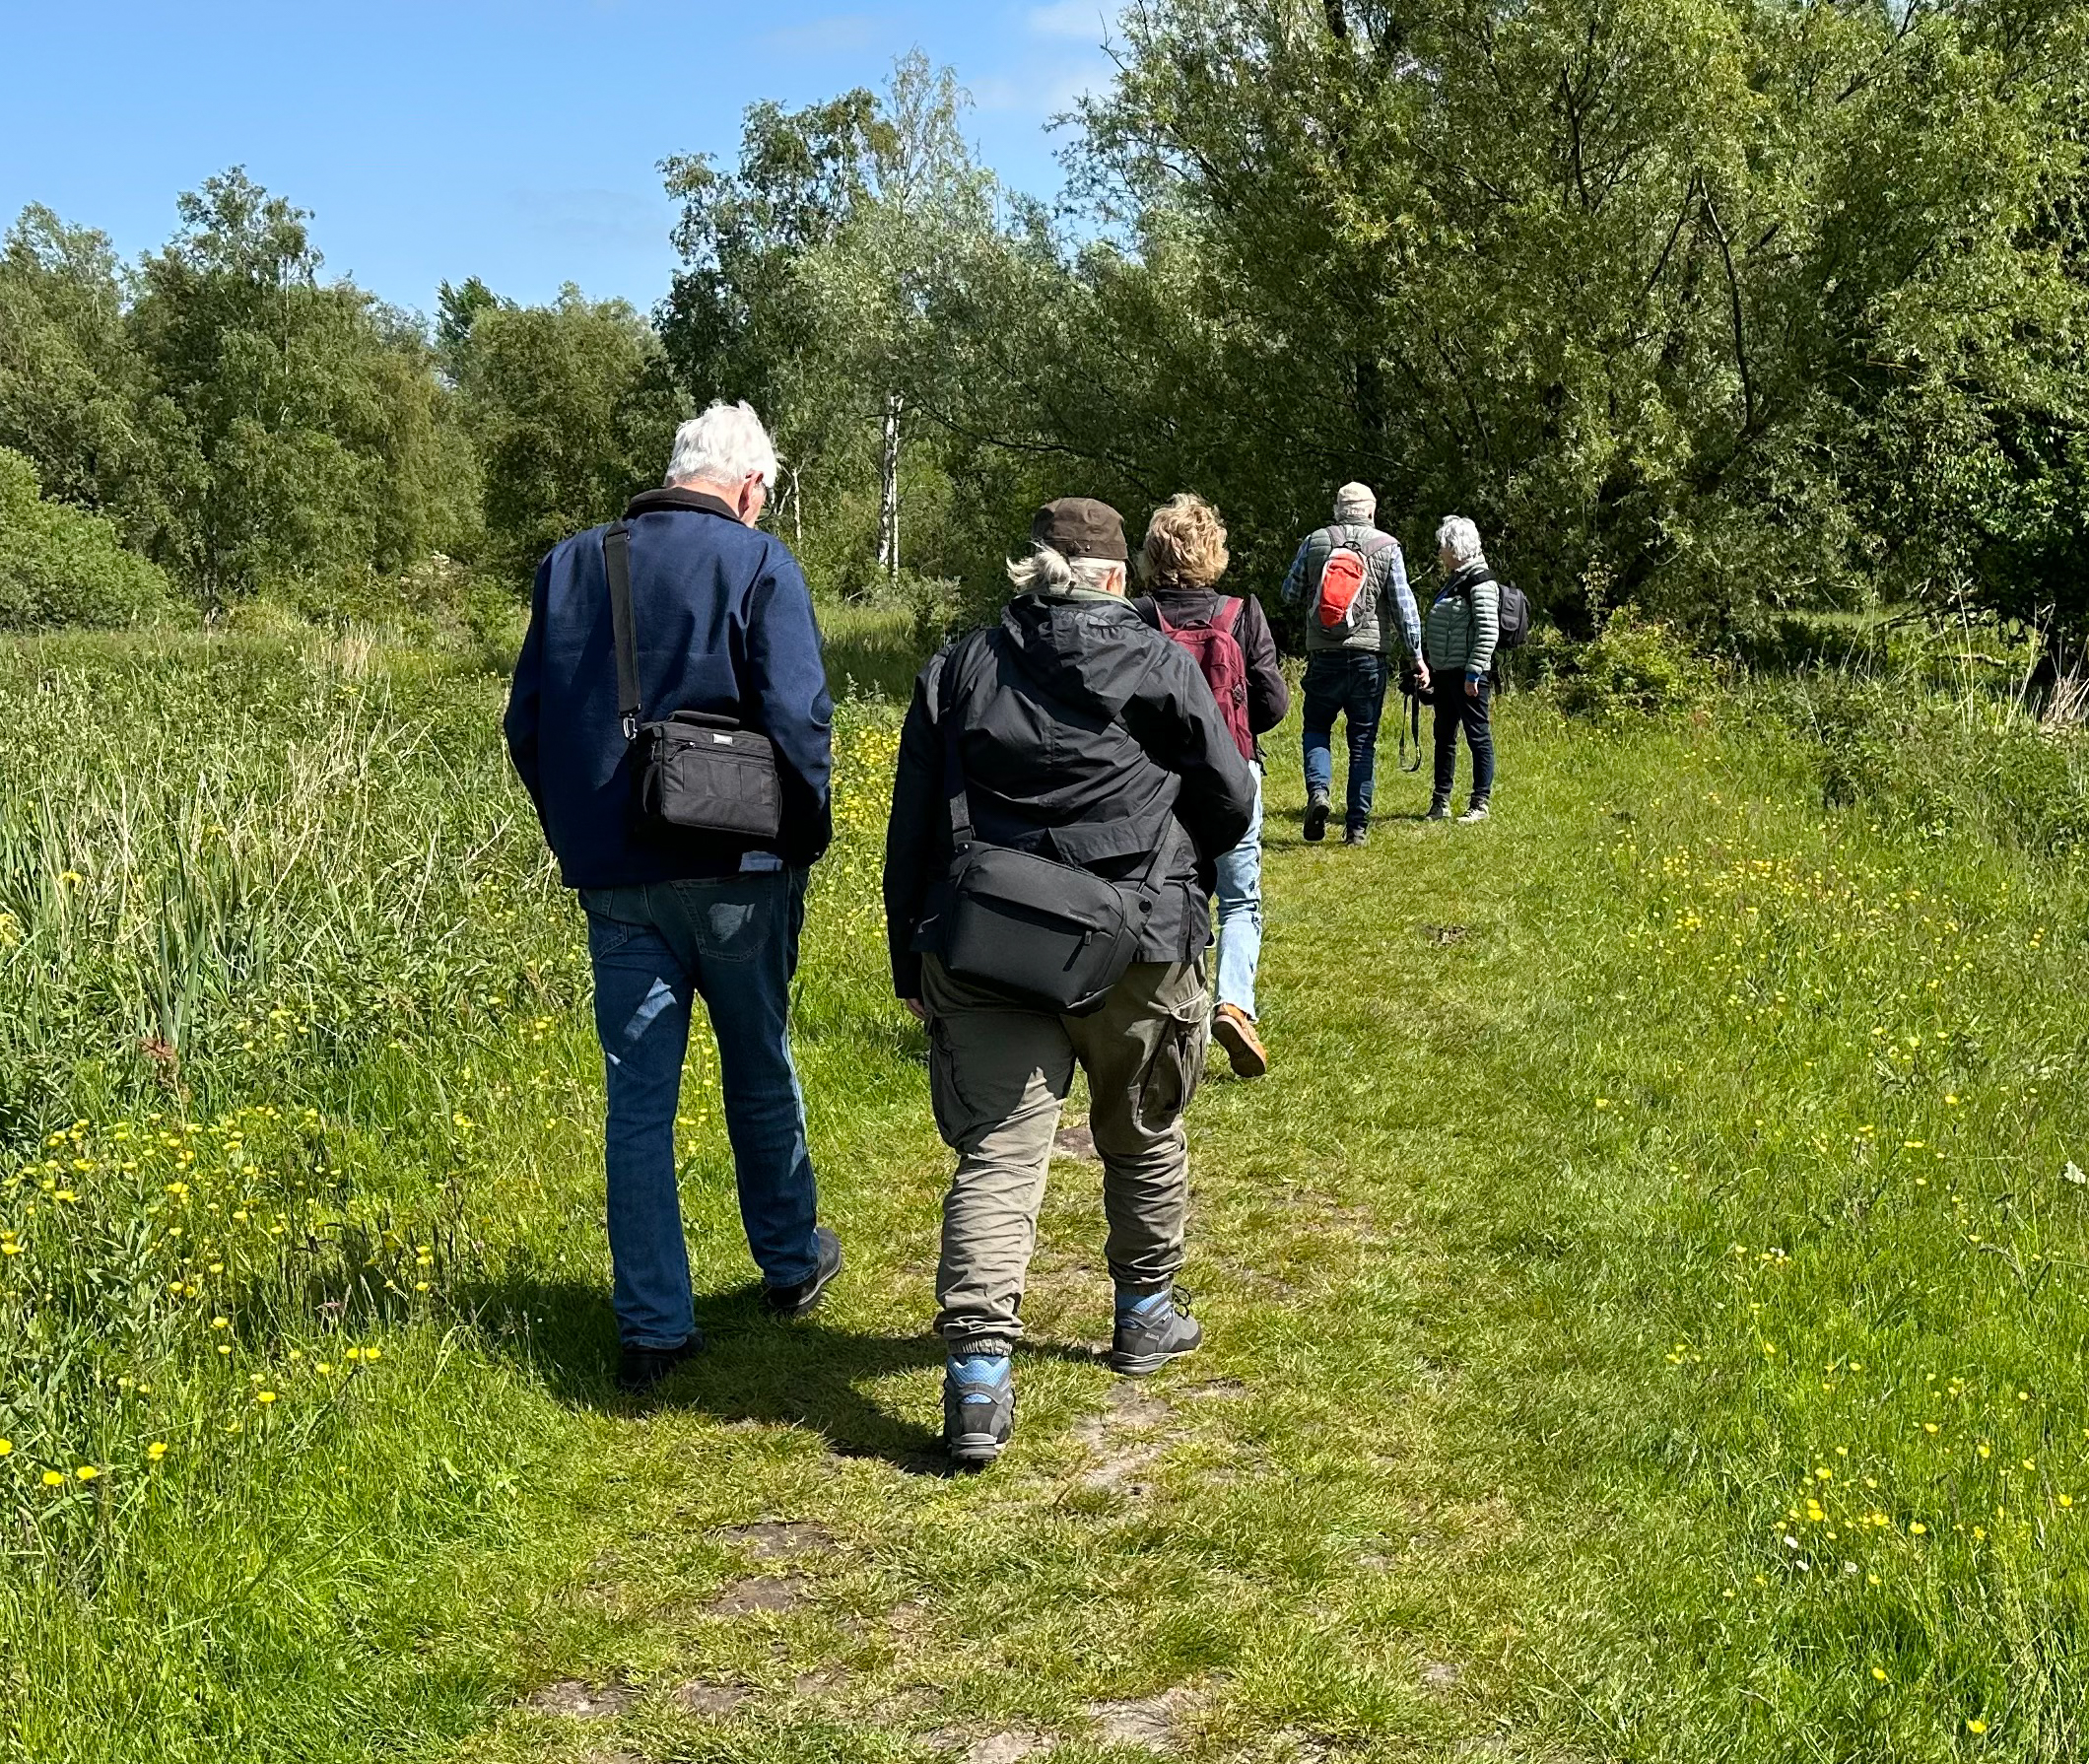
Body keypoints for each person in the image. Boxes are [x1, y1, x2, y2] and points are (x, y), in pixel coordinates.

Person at [883, 497, 1256, 1467]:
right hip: (1139, 934)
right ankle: (1142, 1314)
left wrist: (907, 956)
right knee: (1140, 1127)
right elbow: (1225, 794)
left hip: (989, 943)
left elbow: (912, 823)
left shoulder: (958, 666)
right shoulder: (1156, 660)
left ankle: (975, 1380)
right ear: (1114, 578)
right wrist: (1179, 861)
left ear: (1030, 569)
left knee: (1001, 1153)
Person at [505, 400, 843, 1394]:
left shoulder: (571, 564)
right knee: (759, 1063)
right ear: (747, 487)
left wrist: (578, 828)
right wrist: (801, 839)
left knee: (637, 1102)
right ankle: (787, 1262)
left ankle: (653, 1324)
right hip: (741, 869)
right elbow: (800, 719)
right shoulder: (758, 562)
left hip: (616, 879)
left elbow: (527, 725)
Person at [1133, 494, 1288, 1079]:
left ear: (1153, 555)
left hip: (1158, 781)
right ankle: (1234, 1004)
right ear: (1214, 552)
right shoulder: (1240, 613)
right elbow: (1271, 703)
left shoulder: (1141, 617)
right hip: (1234, 775)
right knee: (1240, 898)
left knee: (1172, 892)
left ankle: (1178, 1011)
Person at [1280, 482, 1427, 846]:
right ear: (1372, 511)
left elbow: (1289, 593)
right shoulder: (1387, 547)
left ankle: (1319, 792)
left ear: (1337, 510)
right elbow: (1404, 609)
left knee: (1316, 728)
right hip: (1369, 659)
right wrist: (1417, 658)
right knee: (1363, 741)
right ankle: (1356, 828)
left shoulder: (1315, 541)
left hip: (1323, 655)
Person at [1422, 515, 1500, 823]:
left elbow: (1488, 631)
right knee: (1444, 736)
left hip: (1468, 676)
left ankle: (1480, 803)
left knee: (1477, 736)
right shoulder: (1457, 578)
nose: (1440, 553)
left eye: (1443, 547)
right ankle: (1440, 801)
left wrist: (1474, 673)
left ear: (1454, 549)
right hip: (1445, 673)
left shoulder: (1480, 582)